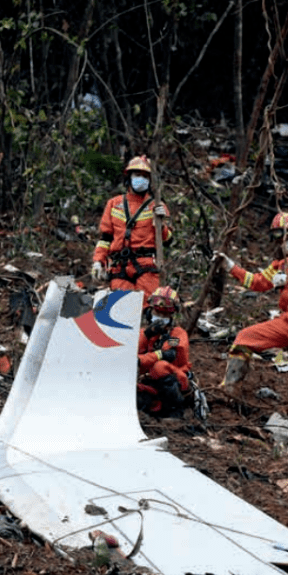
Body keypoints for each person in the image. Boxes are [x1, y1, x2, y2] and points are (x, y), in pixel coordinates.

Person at [216, 212, 288, 419]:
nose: (283, 242)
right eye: (279, 238)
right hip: (286, 319)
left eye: (286, 237)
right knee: (245, 338)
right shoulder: (281, 264)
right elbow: (258, 282)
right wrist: (231, 267)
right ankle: (230, 390)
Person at [92, 155, 172, 300]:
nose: (140, 179)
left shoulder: (156, 206)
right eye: (137, 175)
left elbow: (167, 241)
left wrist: (161, 225)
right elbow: (105, 238)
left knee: (147, 306)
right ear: (129, 177)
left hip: (146, 266)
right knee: (121, 310)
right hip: (119, 266)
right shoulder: (114, 204)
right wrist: (98, 262)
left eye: (145, 176)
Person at [137, 286, 193, 417]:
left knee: (159, 367)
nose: (160, 318)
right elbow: (132, 353)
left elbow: (168, 354)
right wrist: (146, 335)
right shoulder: (143, 333)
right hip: (148, 381)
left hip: (175, 378)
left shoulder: (178, 334)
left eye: (165, 314)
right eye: (157, 313)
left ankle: (176, 411)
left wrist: (141, 360)